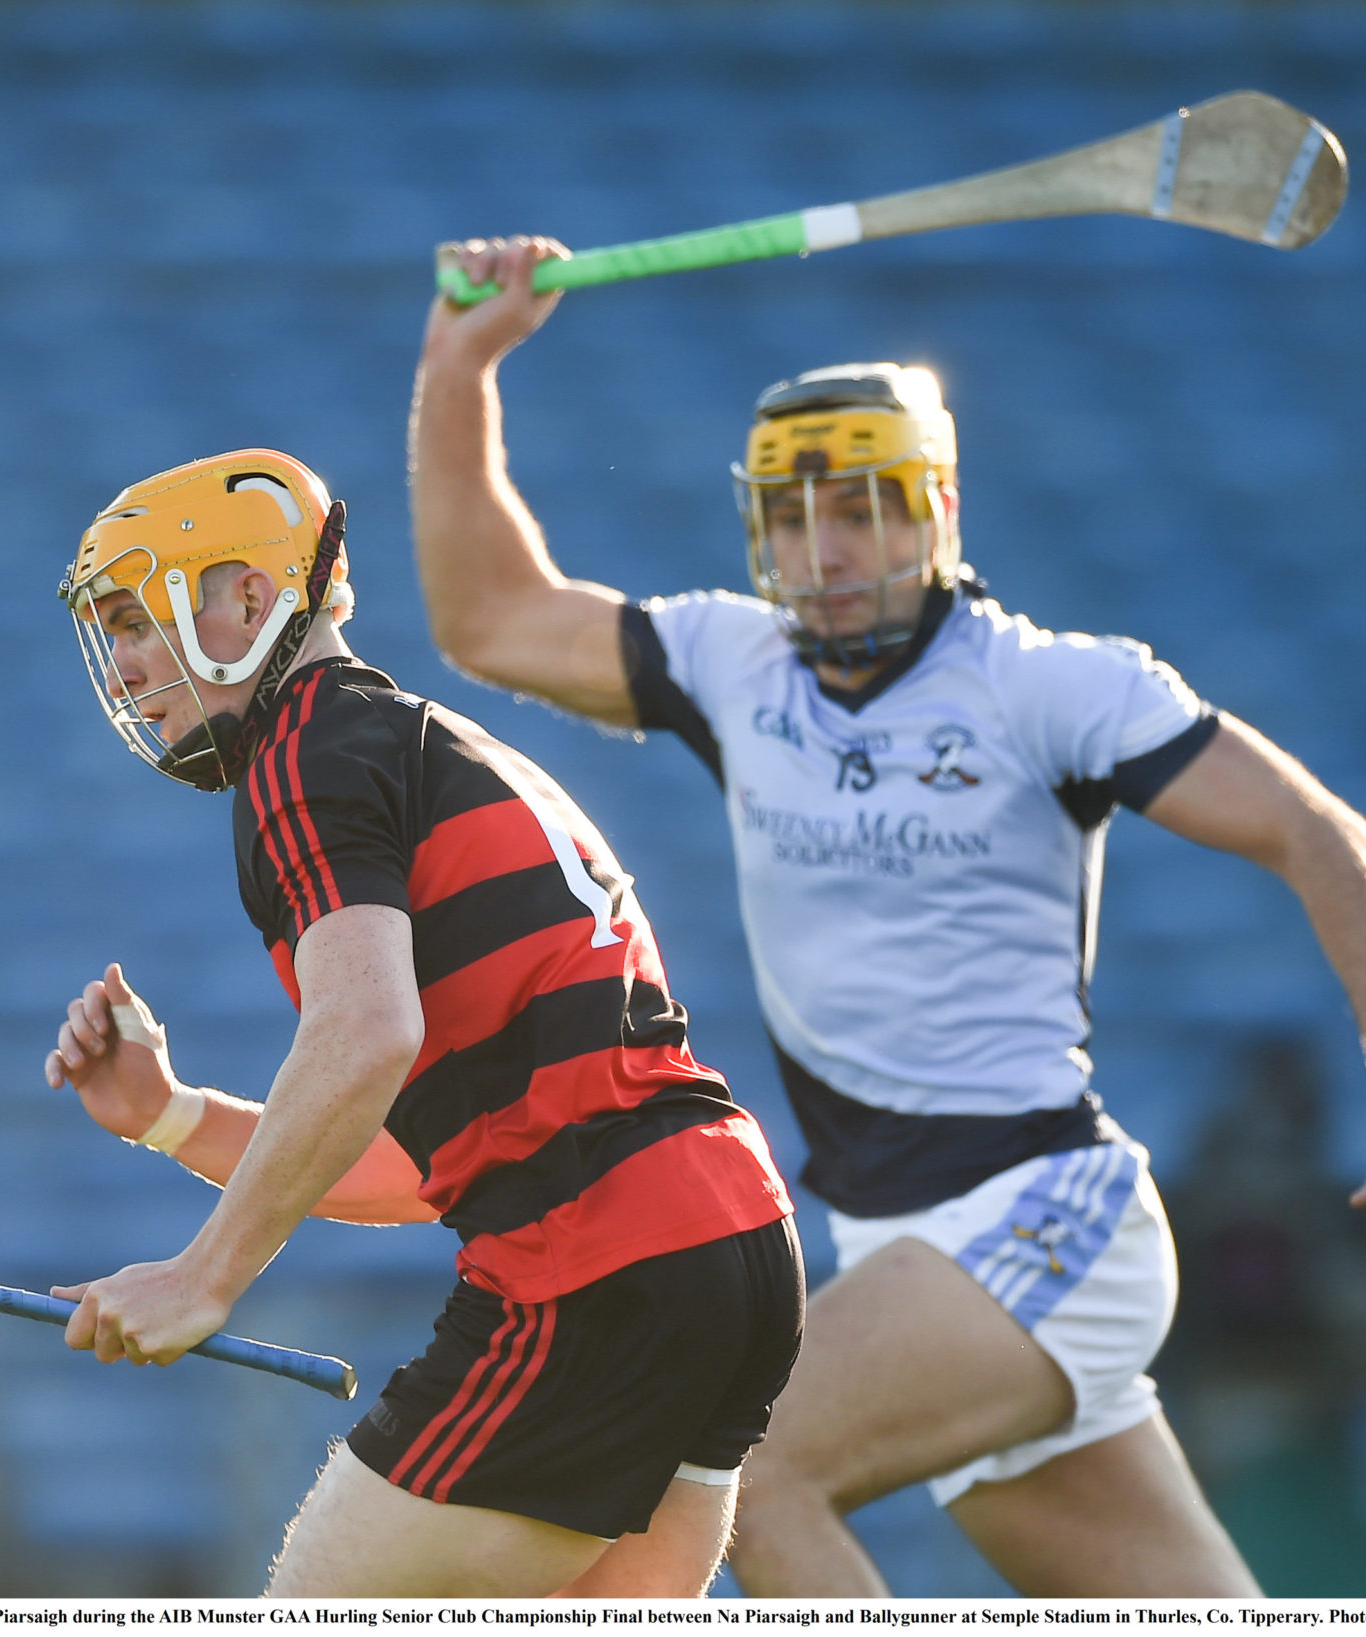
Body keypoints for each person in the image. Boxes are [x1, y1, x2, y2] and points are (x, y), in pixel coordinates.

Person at [405, 238, 1366, 1598]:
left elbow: (1318, 831)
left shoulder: (1051, 688)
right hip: (898, 1253)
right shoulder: (731, 664)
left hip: (1046, 1213)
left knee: (742, 1468)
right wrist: (458, 366)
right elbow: (488, 620)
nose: (824, 554)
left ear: (937, 509)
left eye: (864, 509)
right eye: (791, 517)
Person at [40, 448, 803, 1596]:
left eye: (139, 617)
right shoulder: (421, 741)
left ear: (250, 597)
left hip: (592, 1267)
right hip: (729, 1250)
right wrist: (171, 1114)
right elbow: (424, 1164)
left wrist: (205, 1274)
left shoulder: (303, 751)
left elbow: (364, 1030)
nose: (130, 662)